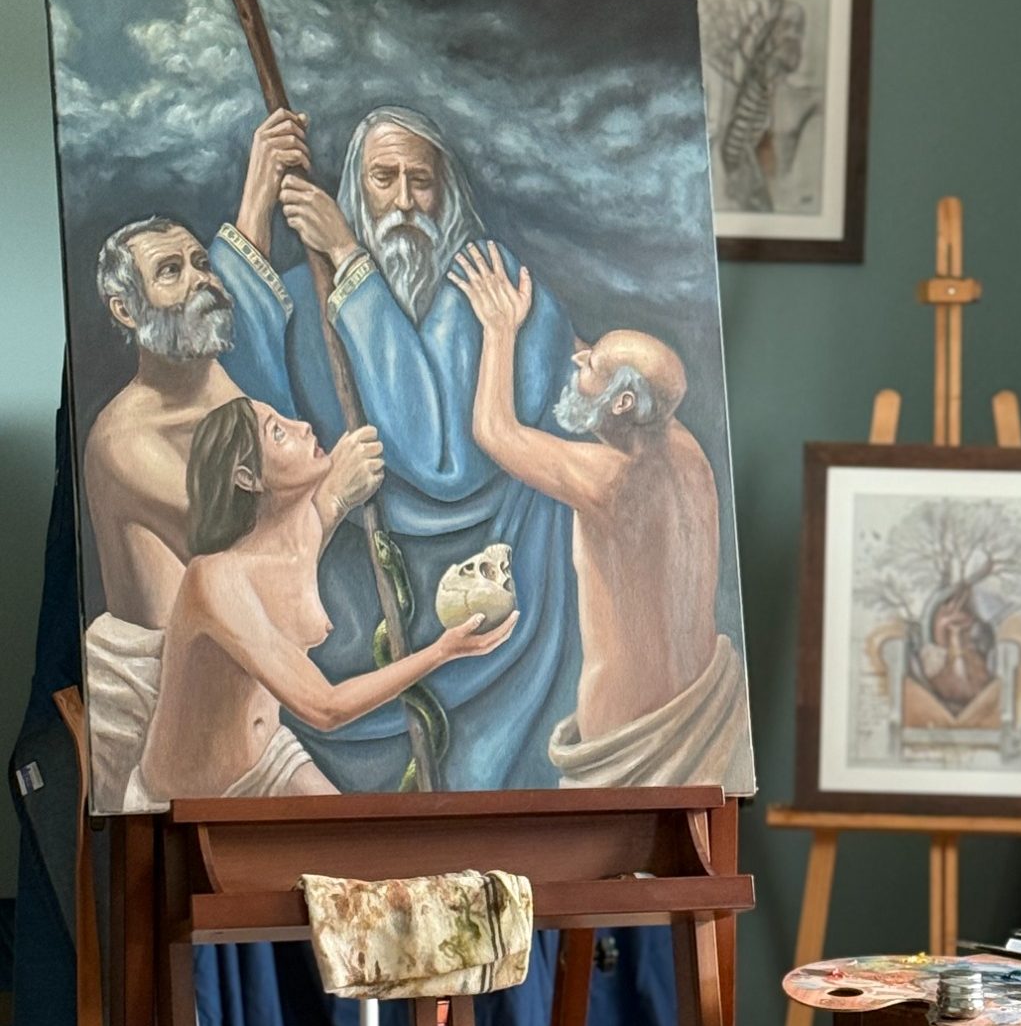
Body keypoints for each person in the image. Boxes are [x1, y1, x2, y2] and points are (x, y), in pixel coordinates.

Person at [211, 105, 580, 791]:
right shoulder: (312, 295)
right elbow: (243, 389)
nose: (405, 202)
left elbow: (440, 455)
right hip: (352, 608)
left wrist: (352, 257)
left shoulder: (480, 277)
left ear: (445, 191)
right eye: (384, 179)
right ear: (357, 186)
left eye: (421, 181)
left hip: (493, 610)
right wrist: (258, 197)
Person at [83, 213, 383, 810]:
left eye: (202, 263)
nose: (201, 280)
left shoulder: (219, 383)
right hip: (157, 713)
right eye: (171, 271)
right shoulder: (125, 441)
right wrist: (333, 495)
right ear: (125, 310)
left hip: (243, 700)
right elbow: (247, 553)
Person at [451, 243, 751, 792]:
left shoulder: (612, 482)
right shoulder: (687, 454)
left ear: (621, 403)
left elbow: (495, 431)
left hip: (631, 755)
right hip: (709, 715)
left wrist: (499, 330)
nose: (578, 360)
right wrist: (562, 335)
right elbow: (614, 380)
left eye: (591, 364)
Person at [129, 397, 516, 806]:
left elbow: (318, 519)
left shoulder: (298, 543)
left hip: (270, 762)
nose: (303, 426)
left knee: (358, 839)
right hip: (181, 804)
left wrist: (340, 491)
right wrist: (443, 650)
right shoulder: (215, 579)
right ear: (247, 478)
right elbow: (325, 708)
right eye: (278, 432)